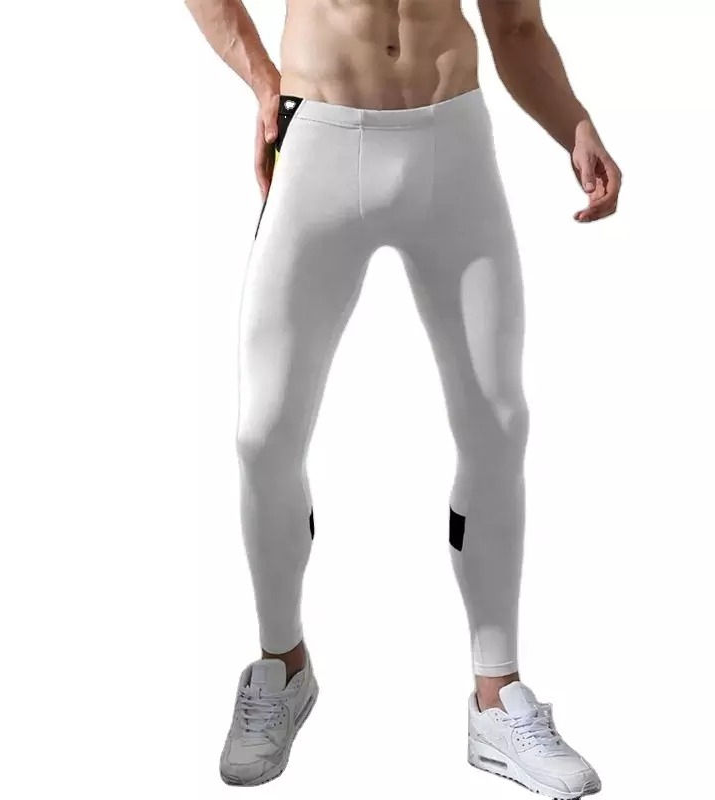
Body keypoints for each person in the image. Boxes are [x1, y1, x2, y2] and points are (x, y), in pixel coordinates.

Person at [187, 1, 621, 795]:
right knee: (263, 433)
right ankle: (282, 665)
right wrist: (260, 79)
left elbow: (517, 27)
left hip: (451, 144)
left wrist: (574, 124)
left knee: (498, 422)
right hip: (319, 136)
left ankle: (497, 698)